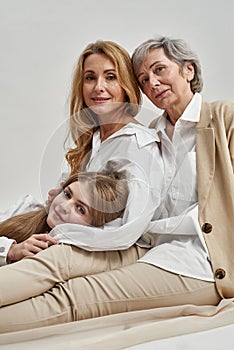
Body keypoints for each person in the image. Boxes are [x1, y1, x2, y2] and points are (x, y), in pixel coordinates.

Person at [0, 40, 165, 332]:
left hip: (113, 248)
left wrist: (61, 234)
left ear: (126, 85)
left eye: (110, 77)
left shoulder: (138, 145)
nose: (98, 87)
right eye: (90, 78)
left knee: (43, 264)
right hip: (74, 234)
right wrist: (60, 200)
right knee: (18, 224)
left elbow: (130, 228)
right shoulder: (93, 141)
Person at [0, 169, 128, 264]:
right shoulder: (28, 207)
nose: (64, 206)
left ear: (94, 226)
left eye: (80, 209)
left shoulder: (70, 255)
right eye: (67, 194)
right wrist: (11, 250)